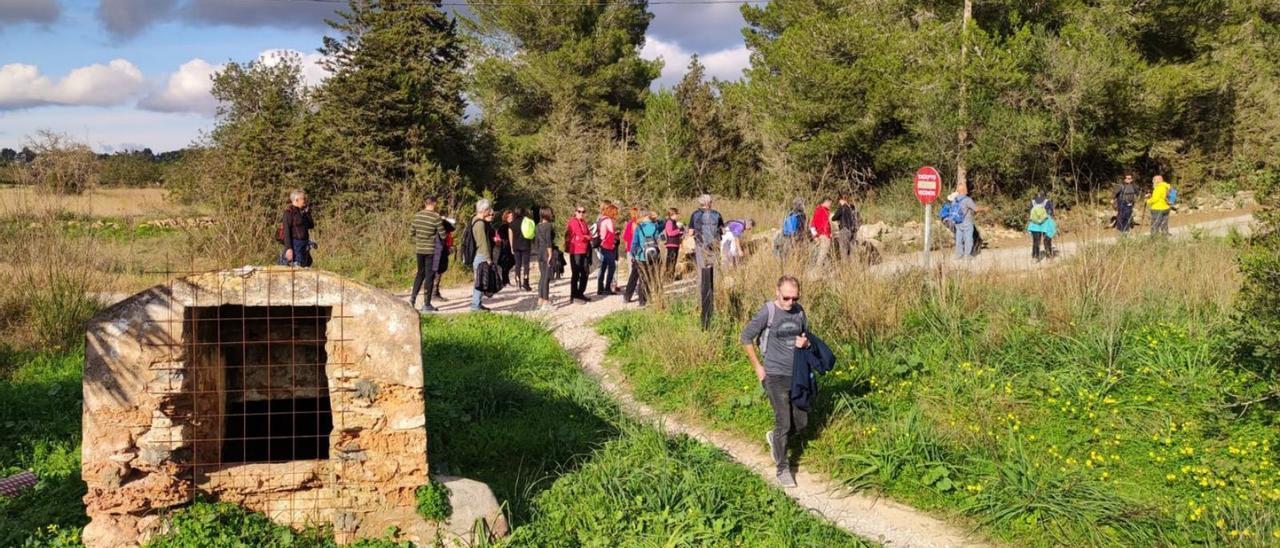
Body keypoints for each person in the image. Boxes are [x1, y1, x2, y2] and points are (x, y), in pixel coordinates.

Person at [740, 275, 809, 488]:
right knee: (784, 422)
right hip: (774, 374)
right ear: (777, 292)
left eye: (794, 298)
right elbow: (745, 337)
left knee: (802, 421)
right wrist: (758, 367)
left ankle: (775, 438)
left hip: (796, 374)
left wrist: (805, 343)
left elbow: (805, 335)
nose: (790, 303)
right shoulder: (767, 312)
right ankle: (782, 468)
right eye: (786, 298)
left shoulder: (799, 312)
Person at [688, 194, 724, 330]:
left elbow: (691, 232)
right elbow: (723, 230)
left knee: (701, 272)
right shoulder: (717, 214)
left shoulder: (695, 214)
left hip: (701, 245)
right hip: (715, 246)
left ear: (700, 203)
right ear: (711, 203)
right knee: (716, 272)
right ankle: (717, 296)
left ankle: (701, 299)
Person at [409, 197, 444, 312]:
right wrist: (442, 221)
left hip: (419, 249)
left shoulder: (417, 215)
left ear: (425, 204)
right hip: (431, 251)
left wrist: (420, 238)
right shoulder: (436, 217)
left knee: (420, 274)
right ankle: (427, 304)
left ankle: (412, 300)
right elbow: (443, 235)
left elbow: (411, 232)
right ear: (434, 204)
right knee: (429, 276)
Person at [625, 211, 662, 306]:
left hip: (641, 256)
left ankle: (642, 301)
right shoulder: (655, 226)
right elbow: (659, 237)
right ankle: (656, 297)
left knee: (642, 279)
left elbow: (634, 243)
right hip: (653, 255)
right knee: (653, 277)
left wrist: (634, 255)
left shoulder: (639, 228)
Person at [469, 200, 496, 312]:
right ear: (484, 210)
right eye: (488, 209)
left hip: (480, 255)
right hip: (481, 255)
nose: (490, 212)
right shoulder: (479, 224)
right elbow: (482, 242)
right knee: (480, 282)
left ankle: (478, 304)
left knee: (480, 281)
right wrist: (488, 258)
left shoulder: (477, 220)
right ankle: (475, 305)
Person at [279, 189, 315, 267]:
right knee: (297, 267)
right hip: (295, 245)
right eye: (303, 199)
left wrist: (308, 212)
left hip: (304, 245)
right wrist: (288, 249)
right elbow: (286, 231)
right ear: (296, 200)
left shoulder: (302, 212)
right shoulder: (288, 213)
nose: (305, 201)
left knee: (307, 264)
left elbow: (311, 225)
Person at [566, 205, 593, 303]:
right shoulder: (573, 222)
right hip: (576, 251)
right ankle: (574, 295)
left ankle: (580, 293)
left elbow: (590, 235)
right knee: (576, 273)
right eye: (579, 211)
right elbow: (580, 235)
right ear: (575, 212)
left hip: (585, 250)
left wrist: (586, 237)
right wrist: (586, 237)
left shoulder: (584, 222)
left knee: (585, 272)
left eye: (583, 211)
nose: (581, 213)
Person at [533, 207, 556, 311]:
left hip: (540, 253)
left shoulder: (538, 226)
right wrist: (550, 254)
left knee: (542, 277)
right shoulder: (548, 226)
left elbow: (536, 242)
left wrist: (538, 253)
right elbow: (549, 241)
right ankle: (546, 302)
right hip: (547, 253)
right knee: (546, 278)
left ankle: (540, 300)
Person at [596, 204, 619, 296]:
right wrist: (616, 235)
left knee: (603, 267)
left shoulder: (602, 219)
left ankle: (600, 288)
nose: (616, 214)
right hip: (608, 246)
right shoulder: (609, 220)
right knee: (612, 267)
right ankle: (607, 288)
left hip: (601, 245)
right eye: (615, 212)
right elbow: (611, 233)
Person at [1027, 191, 1057, 262]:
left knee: (1036, 241)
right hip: (1046, 223)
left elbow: (1030, 212)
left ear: (1037, 195)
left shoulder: (1032, 202)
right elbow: (1051, 212)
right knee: (1047, 240)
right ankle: (1049, 257)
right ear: (1044, 195)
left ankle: (1035, 257)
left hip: (1034, 224)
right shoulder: (1047, 201)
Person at [431, 217, 455, 302]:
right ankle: (434, 294)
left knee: (438, 273)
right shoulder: (439, 229)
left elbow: (451, 229)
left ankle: (435, 293)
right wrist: (443, 220)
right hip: (438, 252)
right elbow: (451, 228)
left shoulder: (443, 230)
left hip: (441, 252)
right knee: (436, 273)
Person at [511, 207, 534, 291]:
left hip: (516, 246)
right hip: (526, 245)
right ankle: (526, 282)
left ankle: (518, 282)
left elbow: (511, 236)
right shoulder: (527, 221)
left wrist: (511, 247)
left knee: (518, 264)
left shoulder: (512, 223)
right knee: (526, 265)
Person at [952, 189, 979, 260]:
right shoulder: (967, 199)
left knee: (959, 238)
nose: (967, 190)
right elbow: (975, 209)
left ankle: (959, 255)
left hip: (957, 222)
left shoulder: (954, 200)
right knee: (968, 238)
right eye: (966, 189)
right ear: (963, 191)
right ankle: (967, 255)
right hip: (967, 222)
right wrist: (984, 209)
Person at [833, 196, 859, 261]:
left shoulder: (842, 207)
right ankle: (853, 265)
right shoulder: (851, 208)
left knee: (843, 249)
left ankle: (844, 267)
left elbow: (834, 218)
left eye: (839, 201)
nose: (839, 203)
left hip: (844, 229)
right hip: (852, 231)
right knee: (851, 249)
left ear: (842, 200)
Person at [810, 198, 833, 266]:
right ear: (827, 202)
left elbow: (812, 225)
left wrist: (815, 236)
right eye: (830, 204)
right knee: (821, 257)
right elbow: (812, 225)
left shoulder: (817, 210)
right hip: (824, 236)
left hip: (820, 236)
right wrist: (816, 236)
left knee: (824, 256)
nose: (830, 206)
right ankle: (817, 273)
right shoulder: (824, 211)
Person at [496, 209, 516, 286]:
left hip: (510, 246)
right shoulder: (504, 226)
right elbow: (500, 236)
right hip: (505, 246)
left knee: (510, 263)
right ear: (506, 217)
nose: (511, 218)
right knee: (506, 264)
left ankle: (506, 281)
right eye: (509, 216)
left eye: (512, 216)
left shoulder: (512, 225)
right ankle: (505, 281)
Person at [663, 207, 683, 279]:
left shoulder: (674, 222)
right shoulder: (669, 222)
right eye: (676, 214)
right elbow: (670, 233)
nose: (677, 216)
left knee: (673, 261)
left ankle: (671, 276)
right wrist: (678, 231)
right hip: (671, 244)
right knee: (670, 261)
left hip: (675, 244)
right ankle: (668, 276)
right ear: (672, 214)